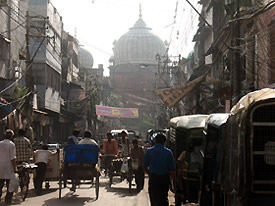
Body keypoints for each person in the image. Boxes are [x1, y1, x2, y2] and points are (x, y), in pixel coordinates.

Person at [143, 133, 175, 206]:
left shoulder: (149, 151)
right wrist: (174, 182)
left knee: (154, 199)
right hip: (164, 179)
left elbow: (144, 166)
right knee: (163, 198)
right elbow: (171, 170)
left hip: (154, 178)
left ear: (155, 141)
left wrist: (149, 174)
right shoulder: (168, 152)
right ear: (164, 142)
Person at [0, 129, 17, 204]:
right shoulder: (11, 144)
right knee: (9, 184)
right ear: (12, 137)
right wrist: (15, 167)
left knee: (0, 183)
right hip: (8, 166)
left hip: (0, 166)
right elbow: (12, 157)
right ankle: (8, 199)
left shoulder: (0, 143)